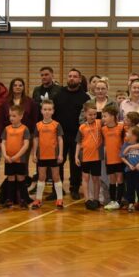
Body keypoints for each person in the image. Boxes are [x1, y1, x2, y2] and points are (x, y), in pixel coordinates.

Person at [54, 69, 89, 198]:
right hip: (60, 135)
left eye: (75, 76)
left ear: (80, 79)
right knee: (58, 162)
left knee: (76, 163)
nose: (72, 78)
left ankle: (74, 188)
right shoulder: (58, 94)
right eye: (70, 76)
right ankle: (57, 189)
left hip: (77, 135)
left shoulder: (85, 97)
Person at [1, 105, 32, 208]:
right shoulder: (7, 129)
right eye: (10, 116)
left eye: (14, 116)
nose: (11, 118)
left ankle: (23, 200)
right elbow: (3, 143)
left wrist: (16, 156)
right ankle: (9, 200)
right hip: (8, 159)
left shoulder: (24, 129)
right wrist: (5, 155)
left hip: (20, 160)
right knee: (10, 179)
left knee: (20, 179)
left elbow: (26, 145)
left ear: (21, 116)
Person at [34, 100, 64, 209]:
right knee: (41, 176)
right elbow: (35, 140)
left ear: (53, 111)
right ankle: (38, 199)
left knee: (56, 176)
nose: (47, 111)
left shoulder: (56, 125)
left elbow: (60, 140)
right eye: (45, 109)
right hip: (42, 155)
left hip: (54, 155)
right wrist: (34, 154)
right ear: (41, 111)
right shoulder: (38, 125)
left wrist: (60, 154)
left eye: (49, 109)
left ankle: (60, 199)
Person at [78, 103, 104, 209]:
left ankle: (96, 199)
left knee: (96, 178)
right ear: (85, 114)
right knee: (85, 178)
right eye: (90, 114)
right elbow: (78, 142)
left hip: (97, 156)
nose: (93, 116)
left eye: (94, 114)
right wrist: (75, 156)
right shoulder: (82, 127)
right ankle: (87, 199)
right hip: (85, 156)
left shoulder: (100, 123)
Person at [121, 126, 139, 211]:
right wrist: (129, 165)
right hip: (129, 170)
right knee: (130, 187)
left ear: (134, 136)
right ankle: (131, 203)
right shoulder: (126, 144)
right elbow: (122, 156)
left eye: (129, 132)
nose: (126, 133)